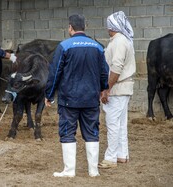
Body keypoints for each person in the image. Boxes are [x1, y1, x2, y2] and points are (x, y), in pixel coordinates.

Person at [45, 14, 109, 177]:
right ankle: (93, 171)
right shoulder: (98, 47)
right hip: (91, 100)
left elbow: (55, 73)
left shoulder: (64, 46)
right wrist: (104, 88)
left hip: (69, 100)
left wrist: (49, 95)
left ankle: (69, 170)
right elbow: (104, 72)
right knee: (92, 132)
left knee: (67, 132)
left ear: (70, 28)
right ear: (84, 27)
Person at [99, 11, 136, 168]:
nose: (107, 27)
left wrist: (107, 89)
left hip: (118, 88)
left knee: (113, 122)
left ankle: (111, 158)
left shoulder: (119, 42)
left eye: (109, 24)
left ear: (112, 26)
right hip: (122, 88)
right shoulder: (120, 40)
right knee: (120, 123)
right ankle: (122, 154)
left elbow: (116, 68)